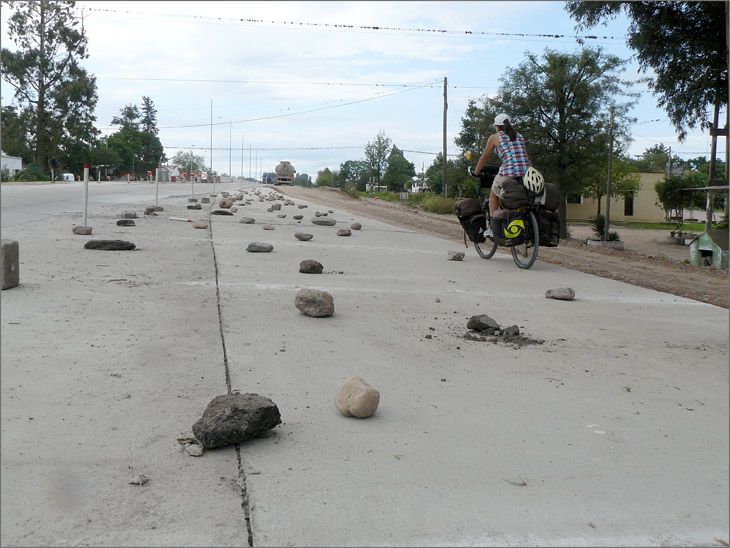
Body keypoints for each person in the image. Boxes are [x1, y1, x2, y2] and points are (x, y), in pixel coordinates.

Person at [473, 113, 532, 219]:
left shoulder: (494, 137)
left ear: (497, 126)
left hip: (509, 172)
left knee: (494, 193)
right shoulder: (520, 136)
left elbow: (483, 158)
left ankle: (494, 222)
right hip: (528, 173)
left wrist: (476, 172)